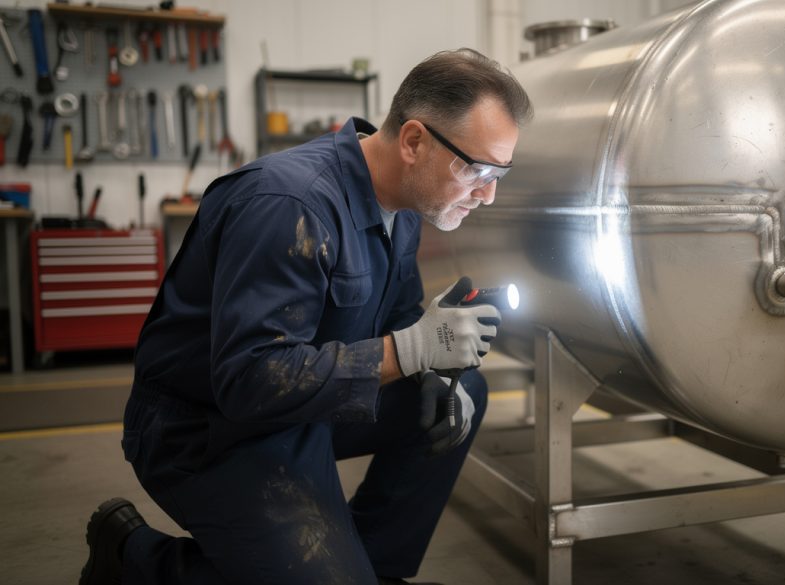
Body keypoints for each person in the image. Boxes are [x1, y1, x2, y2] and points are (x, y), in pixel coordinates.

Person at [79, 48, 532, 585]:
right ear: (414, 141)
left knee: (462, 391)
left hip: (303, 404)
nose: (488, 194)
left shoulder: (405, 212)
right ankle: (130, 556)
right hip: (208, 427)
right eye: (477, 169)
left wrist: (434, 368)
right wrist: (409, 351)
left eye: (500, 171)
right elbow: (249, 379)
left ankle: (372, 565)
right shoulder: (287, 203)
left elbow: (403, 320)